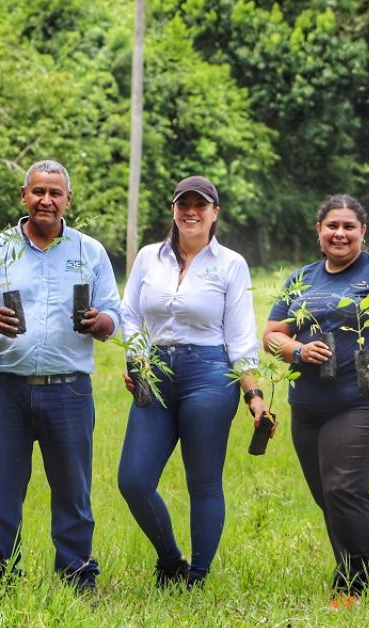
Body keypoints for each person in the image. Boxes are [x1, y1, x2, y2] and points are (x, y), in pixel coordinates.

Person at [0, 159, 120, 592]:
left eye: (55, 193)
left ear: (68, 200)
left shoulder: (90, 251)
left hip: (68, 390)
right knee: (3, 491)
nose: (46, 200)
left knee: (73, 490)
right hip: (5, 390)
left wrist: (98, 322)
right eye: (38, 192)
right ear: (24, 196)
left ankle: (76, 574)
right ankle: (1, 576)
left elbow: (114, 317)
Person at [263, 194, 369, 608]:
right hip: (308, 403)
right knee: (326, 494)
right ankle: (351, 569)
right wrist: (297, 351)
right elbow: (272, 333)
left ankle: (355, 582)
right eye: (332, 226)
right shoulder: (301, 278)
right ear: (319, 231)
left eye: (348, 227)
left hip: (364, 398)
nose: (340, 233)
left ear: (362, 233)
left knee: (344, 486)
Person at [117, 176, 267, 589]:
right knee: (133, 479)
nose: (191, 211)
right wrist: (137, 357)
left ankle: (197, 576)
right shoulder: (150, 257)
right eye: (184, 203)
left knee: (202, 480)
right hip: (157, 372)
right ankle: (170, 559)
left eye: (201, 205)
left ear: (214, 213)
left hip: (209, 374)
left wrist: (253, 394)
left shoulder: (230, 264)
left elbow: (240, 336)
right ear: (173, 209)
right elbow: (129, 314)